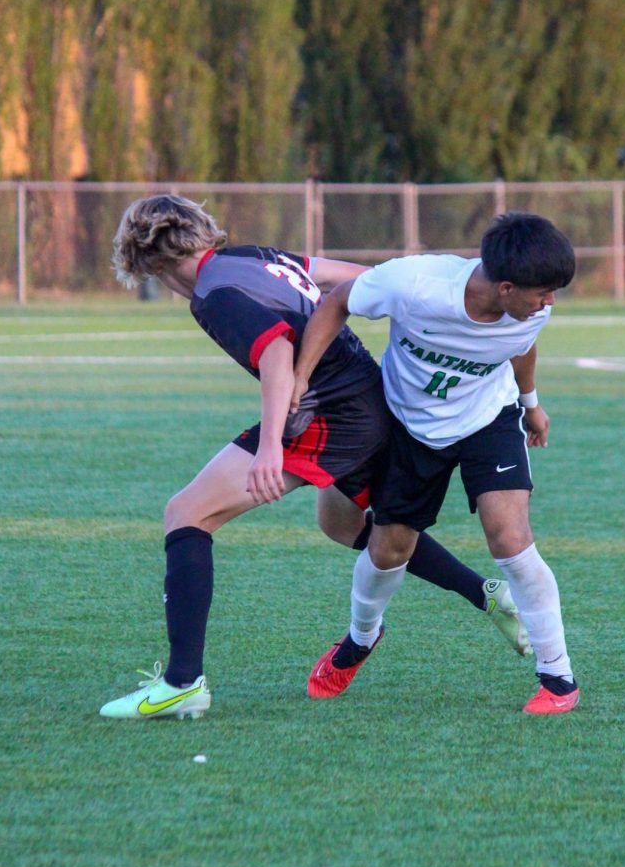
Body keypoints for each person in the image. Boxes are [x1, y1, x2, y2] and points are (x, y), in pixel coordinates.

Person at [99, 194, 530, 720]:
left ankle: (182, 683)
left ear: (151, 262)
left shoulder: (213, 292)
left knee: (186, 514)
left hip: (333, 414)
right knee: (346, 524)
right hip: (366, 396)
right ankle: (488, 594)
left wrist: (268, 448)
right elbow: (357, 275)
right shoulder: (257, 258)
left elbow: (278, 354)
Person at [291, 211, 579, 714]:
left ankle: (558, 679)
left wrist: (531, 404)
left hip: (488, 418)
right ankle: (361, 638)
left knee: (510, 539)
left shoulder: (529, 311)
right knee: (387, 551)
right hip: (409, 427)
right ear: (506, 287)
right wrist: (299, 378)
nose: (550, 302)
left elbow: (521, 348)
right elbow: (338, 301)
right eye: (543, 292)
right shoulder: (415, 283)